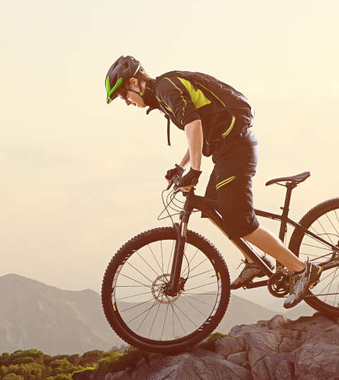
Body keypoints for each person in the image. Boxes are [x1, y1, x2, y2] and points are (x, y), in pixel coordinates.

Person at [104, 55, 321, 309]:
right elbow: (196, 131)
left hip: (237, 149)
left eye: (123, 95)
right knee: (213, 208)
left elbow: (194, 123)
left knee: (242, 222)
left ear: (133, 82)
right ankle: (254, 261)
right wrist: (181, 166)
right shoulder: (163, 95)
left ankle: (302, 269)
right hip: (225, 151)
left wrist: (195, 171)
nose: (127, 103)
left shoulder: (165, 88)